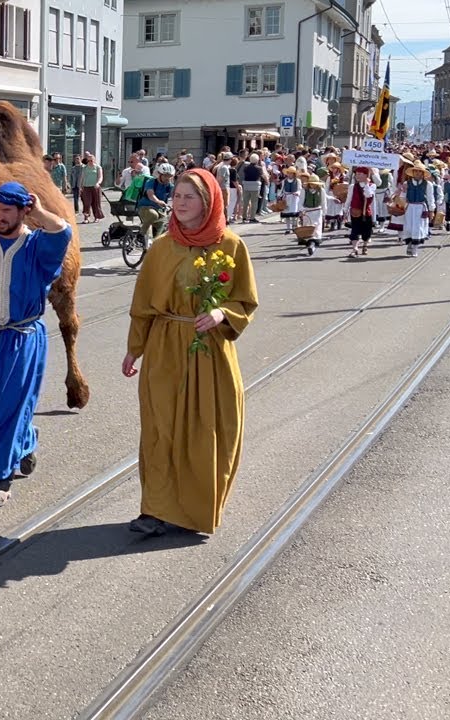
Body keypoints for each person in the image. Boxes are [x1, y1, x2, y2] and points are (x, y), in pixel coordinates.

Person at [122, 168, 258, 535]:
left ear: (209, 201)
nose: (180, 203)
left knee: (205, 430)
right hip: (164, 349)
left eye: (190, 197)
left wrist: (220, 313)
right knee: (159, 429)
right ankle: (155, 509)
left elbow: (244, 301)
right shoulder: (162, 248)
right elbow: (143, 305)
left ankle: (197, 510)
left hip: (209, 351)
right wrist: (134, 350)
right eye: (177, 195)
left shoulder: (230, 245)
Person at [0, 182, 72, 509]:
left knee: (6, 407)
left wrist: (39, 212)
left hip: (23, 340)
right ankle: (26, 439)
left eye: (6, 210)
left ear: (23, 211)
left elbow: (63, 233)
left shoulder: (37, 247)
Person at [398, 163, 435, 257]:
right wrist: (403, 191)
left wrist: (431, 210)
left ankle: (415, 248)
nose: (418, 173)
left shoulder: (428, 184)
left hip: (420, 208)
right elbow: (402, 197)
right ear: (413, 173)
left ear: (423, 173)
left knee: (418, 228)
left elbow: (430, 198)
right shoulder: (407, 183)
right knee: (409, 226)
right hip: (410, 207)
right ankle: (409, 243)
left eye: (420, 172)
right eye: (416, 171)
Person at [137, 163, 175, 247]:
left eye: (170, 176)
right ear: (160, 175)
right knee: (153, 215)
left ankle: (155, 244)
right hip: (145, 207)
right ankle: (140, 235)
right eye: (165, 176)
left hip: (159, 210)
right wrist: (158, 201)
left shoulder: (170, 186)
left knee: (165, 223)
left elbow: (175, 196)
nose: (168, 178)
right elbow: (151, 195)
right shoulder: (151, 182)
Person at [345, 166, 376, 258]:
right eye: (356, 174)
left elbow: (368, 195)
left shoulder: (372, 186)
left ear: (366, 175)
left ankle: (365, 245)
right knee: (354, 231)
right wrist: (345, 210)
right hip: (355, 211)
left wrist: (367, 184)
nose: (357, 176)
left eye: (359, 174)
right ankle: (355, 249)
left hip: (366, 212)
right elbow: (348, 199)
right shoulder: (352, 186)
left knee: (366, 231)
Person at [79, 153, 104, 223]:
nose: (90, 162)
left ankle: (97, 217)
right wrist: (80, 187)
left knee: (96, 203)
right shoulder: (85, 168)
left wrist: (98, 183)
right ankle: (86, 218)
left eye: (91, 160)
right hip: (86, 187)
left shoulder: (98, 167)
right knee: (86, 203)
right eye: (88, 161)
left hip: (95, 187)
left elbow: (100, 177)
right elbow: (82, 178)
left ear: (94, 160)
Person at [240, 154, 263, 223]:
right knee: (254, 202)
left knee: (245, 202)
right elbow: (260, 175)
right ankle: (252, 217)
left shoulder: (246, 167)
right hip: (255, 185)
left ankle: (244, 217)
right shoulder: (259, 168)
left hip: (246, 184)